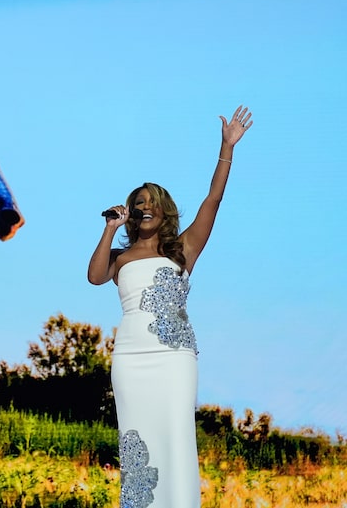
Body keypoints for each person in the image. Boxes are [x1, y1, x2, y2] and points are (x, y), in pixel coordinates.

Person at [87, 105, 253, 507]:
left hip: (173, 357)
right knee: (137, 438)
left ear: (163, 209)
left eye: (150, 201)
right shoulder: (121, 257)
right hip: (130, 356)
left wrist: (226, 148)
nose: (144, 206)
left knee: (176, 433)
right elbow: (94, 276)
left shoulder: (183, 249)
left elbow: (213, 199)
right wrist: (109, 228)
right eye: (137, 202)